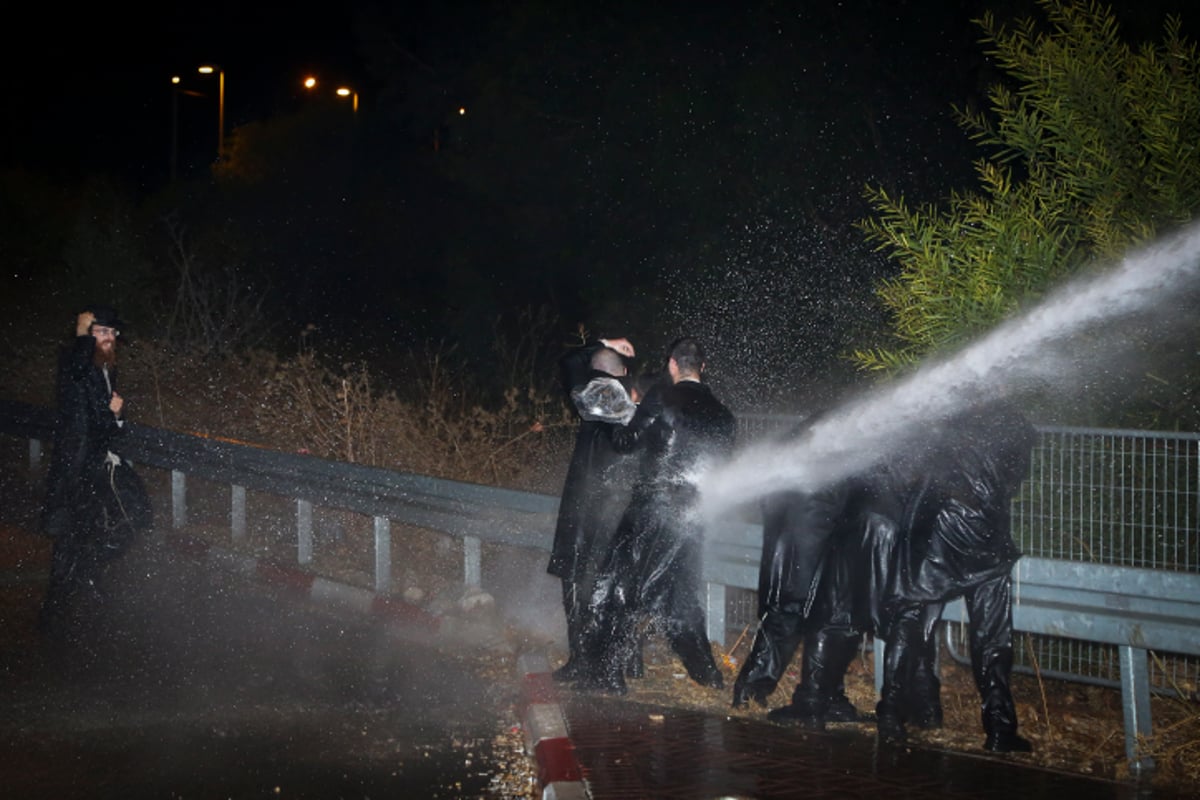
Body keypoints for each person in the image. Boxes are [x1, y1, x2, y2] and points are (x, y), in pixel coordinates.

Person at [871, 400, 1037, 753]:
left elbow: (903, 473)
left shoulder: (940, 418)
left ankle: (894, 713)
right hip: (985, 534)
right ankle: (998, 729)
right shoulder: (1014, 422)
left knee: (912, 618)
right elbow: (1014, 477)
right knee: (992, 635)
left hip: (932, 531)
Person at [576, 336, 736, 695]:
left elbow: (626, 443)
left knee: (622, 586)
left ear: (672, 364)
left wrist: (610, 416)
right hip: (694, 517)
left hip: (652, 511)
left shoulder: (661, 398)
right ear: (703, 368)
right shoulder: (724, 416)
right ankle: (707, 674)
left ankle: (608, 675)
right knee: (680, 596)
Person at [38, 306, 153, 636]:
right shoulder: (76, 363)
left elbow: (102, 426)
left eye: (112, 333)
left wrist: (114, 415)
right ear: (86, 336)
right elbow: (77, 373)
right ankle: (56, 611)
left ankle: (81, 577)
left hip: (98, 465)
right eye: (101, 332)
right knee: (71, 540)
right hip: (77, 470)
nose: (108, 339)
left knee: (129, 519)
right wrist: (82, 335)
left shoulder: (104, 368)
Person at [547, 336, 640, 682]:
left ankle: (584, 662)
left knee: (579, 588)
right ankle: (622, 665)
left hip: (586, 516)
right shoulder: (639, 402)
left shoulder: (590, 397)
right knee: (619, 589)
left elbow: (568, 361)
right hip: (625, 516)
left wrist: (601, 343)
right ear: (625, 372)